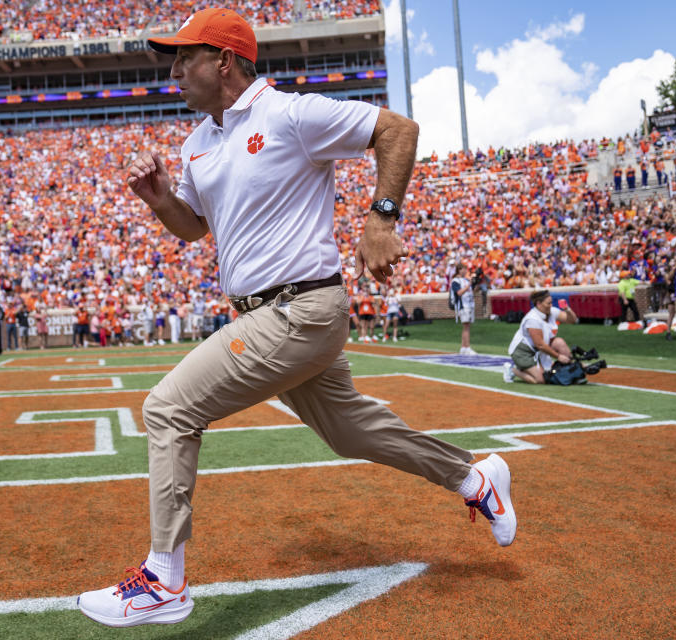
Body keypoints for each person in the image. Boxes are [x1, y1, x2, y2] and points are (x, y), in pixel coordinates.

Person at [76, 8, 517, 630]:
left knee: (169, 407)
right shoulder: (198, 142)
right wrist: (160, 202)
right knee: (349, 432)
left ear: (223, 61)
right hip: (271, 317)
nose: (173, 71)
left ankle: (163, 581)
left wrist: (381, 219)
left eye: (183, 58)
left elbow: (399, 129)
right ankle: (474, 477)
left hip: (299, 310)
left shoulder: (291, 113)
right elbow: (194, 228)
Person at [503, 290, 578, 384]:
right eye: (548, 303)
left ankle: (572, 368)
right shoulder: (532, 319)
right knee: (540, 380)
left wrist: (567, 309)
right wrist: (558, 356)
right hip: (523, 351)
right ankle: (513, 369)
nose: (551, 305)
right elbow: (540, 345)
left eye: (551, 302)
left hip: (538, 349)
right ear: (538, 303)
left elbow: (572, 320)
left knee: (559, 342)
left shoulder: (552, 311)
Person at [450, 263, 476, 355]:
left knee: (467, 326)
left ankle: (463, 347)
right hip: (463, 305)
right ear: (459, 270)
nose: (465, 271)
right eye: (464, 269)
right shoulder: (456, 281)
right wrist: (469, 285)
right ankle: (467, 347)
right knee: (466, 326)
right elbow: (459, 293)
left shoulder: (465, 280)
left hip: (469, 304)